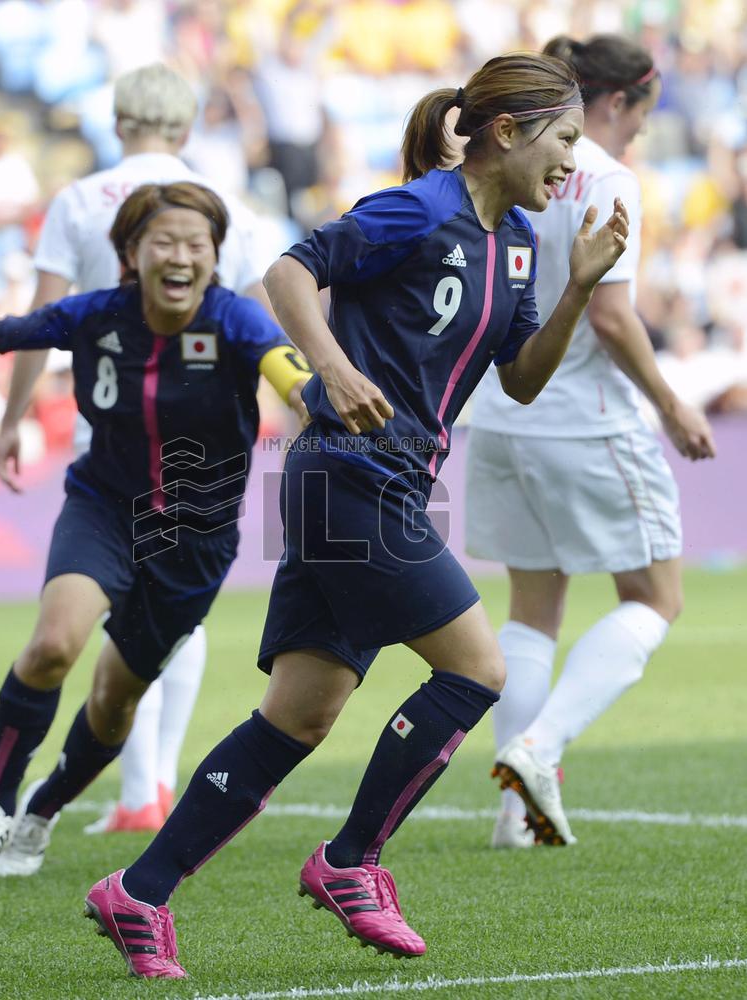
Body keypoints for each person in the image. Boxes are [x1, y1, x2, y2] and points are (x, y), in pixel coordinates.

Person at [80, 53, 631, 981]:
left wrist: (579, 285)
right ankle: (351, 861)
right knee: (478, 670)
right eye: (565, 138)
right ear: (505, 131)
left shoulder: (526, 242)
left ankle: (138, 891)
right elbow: (292, 271)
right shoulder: (419, 207)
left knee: (299, 716)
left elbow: (524, 382)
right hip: (347, 472)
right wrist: (330, 369)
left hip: (396, 483)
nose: (573, 163)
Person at [0, 181, 312, 876]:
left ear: (214, 257)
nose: (182, 256)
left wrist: (315, 401)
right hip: (103, 508)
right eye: (164, 242)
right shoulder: (96, 315)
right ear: (130, 254)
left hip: (194, 541)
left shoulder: (235, 322)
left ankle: (41, 811)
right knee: (52, 645)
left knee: (113, 700)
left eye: (197, 245)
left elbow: (287, 371)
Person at [0, 62, 289, 836]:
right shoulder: (225, 210)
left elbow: (42, 314)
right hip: (199, 456)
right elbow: (264, 326)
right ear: (187, 129)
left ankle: (133, 794)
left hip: (111, 438)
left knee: (94, 630)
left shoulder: (76, 201)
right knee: (161, 628)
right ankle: (148, 785)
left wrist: (14, 415)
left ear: (118, 121)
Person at [465, 36, 716, 851]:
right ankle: (538, 752)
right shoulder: (606, 178)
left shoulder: (510, 168)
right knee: (655, 598)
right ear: (619, 101)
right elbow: (610, 315)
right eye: (641, 117)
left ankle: (516, 814)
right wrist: (674, 404)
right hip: (587, 419)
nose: (639, 135)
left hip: (504, 415)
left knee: (533, 613)